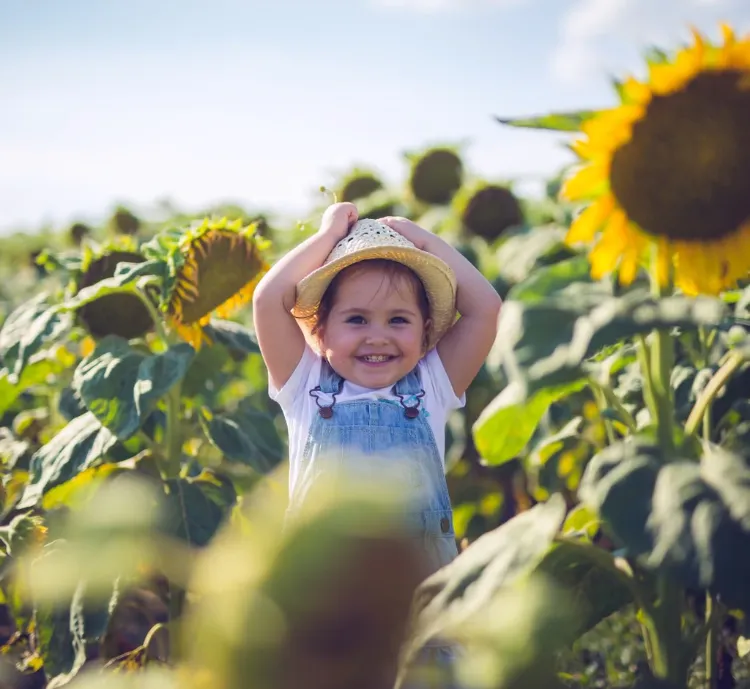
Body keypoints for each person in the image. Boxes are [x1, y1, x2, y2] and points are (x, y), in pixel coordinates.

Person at [252, 202, 502, 686]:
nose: (378, 337)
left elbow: (486, 308)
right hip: (325, 594)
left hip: (417, 596)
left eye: (399, 320)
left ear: (427, 330)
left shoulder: (431, 387)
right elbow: (268, 300)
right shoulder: (304, 385)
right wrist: (328, 235)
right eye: (357, 319)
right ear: (320, 330)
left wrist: (419, 239)